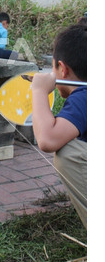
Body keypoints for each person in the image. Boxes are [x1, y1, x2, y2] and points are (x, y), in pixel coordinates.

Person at [31, 23, 87, 228]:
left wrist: (38, 91)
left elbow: (47, 139)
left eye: (52, 67)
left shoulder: (85, 96)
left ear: (62, 69)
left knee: (69, 152)